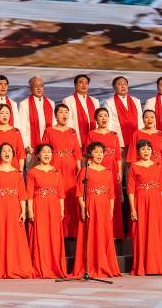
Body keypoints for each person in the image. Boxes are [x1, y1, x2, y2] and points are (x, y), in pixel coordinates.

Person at [0, 142, 34, 279]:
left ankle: (15, 266)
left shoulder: (17, 174)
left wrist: (23, 211)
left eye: (9, 150)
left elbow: (22, 195)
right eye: (4, 150)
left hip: (14, 209)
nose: (7, 152)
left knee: (14, 237)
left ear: (13, 154)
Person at [72, 140, 121, 278]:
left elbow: (111, 194)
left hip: (104, 206)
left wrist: (111, 210)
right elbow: (80, 193)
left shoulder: (107, 172)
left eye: (101, 152)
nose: (99, 155)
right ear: (90, 154)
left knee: (103, 235)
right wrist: (83, 207)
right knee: (90, 235)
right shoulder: (85, 171)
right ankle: (90, 266)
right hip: (90, 205)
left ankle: (104, 264)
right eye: (96, 152)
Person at [128, 139, 162, 276]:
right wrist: (133, 208)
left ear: (152, 151)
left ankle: (158, 266)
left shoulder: (157, 166)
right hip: (141, 203)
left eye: (148, 149)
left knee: (156, 233)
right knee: (142, 233)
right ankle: (143, 266)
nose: (146, 151)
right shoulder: (133, 167)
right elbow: (130, 190)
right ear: (138, 152)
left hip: (156, 203)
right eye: (143, 149)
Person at [26, 143, 68, 279]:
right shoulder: (32, 172)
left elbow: (61, 193)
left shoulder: (56, 171)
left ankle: (54, 266)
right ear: (38, 155)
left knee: (53, 236)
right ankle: (40, 266)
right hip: (39, 206)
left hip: (54, 206)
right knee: (41, 236)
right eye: (43, 152)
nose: (46, 154)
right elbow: (29, 193)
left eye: (49, 151)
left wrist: (62, 209)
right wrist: (30, 211)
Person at [42, 104, 80, 237]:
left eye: (66, 112)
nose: (64, 114)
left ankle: (72, 230)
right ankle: (58, 229)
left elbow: (77, 151)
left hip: (70, 167)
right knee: (57, 194)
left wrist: (78, 167)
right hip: (55, 165)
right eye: (61, 112)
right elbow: (44, 150)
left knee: (70, 194)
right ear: (55, 115)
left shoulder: (72, 131)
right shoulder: (49, 131)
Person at [88, 107, 126, 239]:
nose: (103, 118)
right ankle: (100, 231)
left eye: (106, 115)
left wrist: (119, 171)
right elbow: (88, 155)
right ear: (96, 119)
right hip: (96, 169)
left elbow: (118, 156)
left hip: (112, 169)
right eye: (100, 116)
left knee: (112, 197)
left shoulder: (114, 134)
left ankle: (114, 231)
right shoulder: (91, 134)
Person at [17, 76, 54, 165]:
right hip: (31, 146)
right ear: (30, 89)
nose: (39, 88)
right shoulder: (24, 104)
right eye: (36, 86)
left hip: (48, 147)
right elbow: (21, 127)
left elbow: (54, 124)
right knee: (32, 170)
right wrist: (26, 145)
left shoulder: (51, 103)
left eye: (41, 86)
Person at [105, 76, 142, 163]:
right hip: (119, 140)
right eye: (119, 84)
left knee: (134, 164)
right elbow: (109, 123)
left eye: (125, 84)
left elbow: (140, 120)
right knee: (120, 165)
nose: (123, 86)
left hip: (135, 139)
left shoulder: (136, 101)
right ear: (114, 87)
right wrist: (112, 140)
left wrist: (141, 136)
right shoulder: (109, 102)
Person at [61, 74, 100, 153]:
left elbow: (97, 120)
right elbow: (67, 122)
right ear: (75, 85)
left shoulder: (95, 101)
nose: (84, 85)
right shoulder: (68, 100)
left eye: (86, 83)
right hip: (76, 140)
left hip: (93, 140)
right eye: (81, 82)